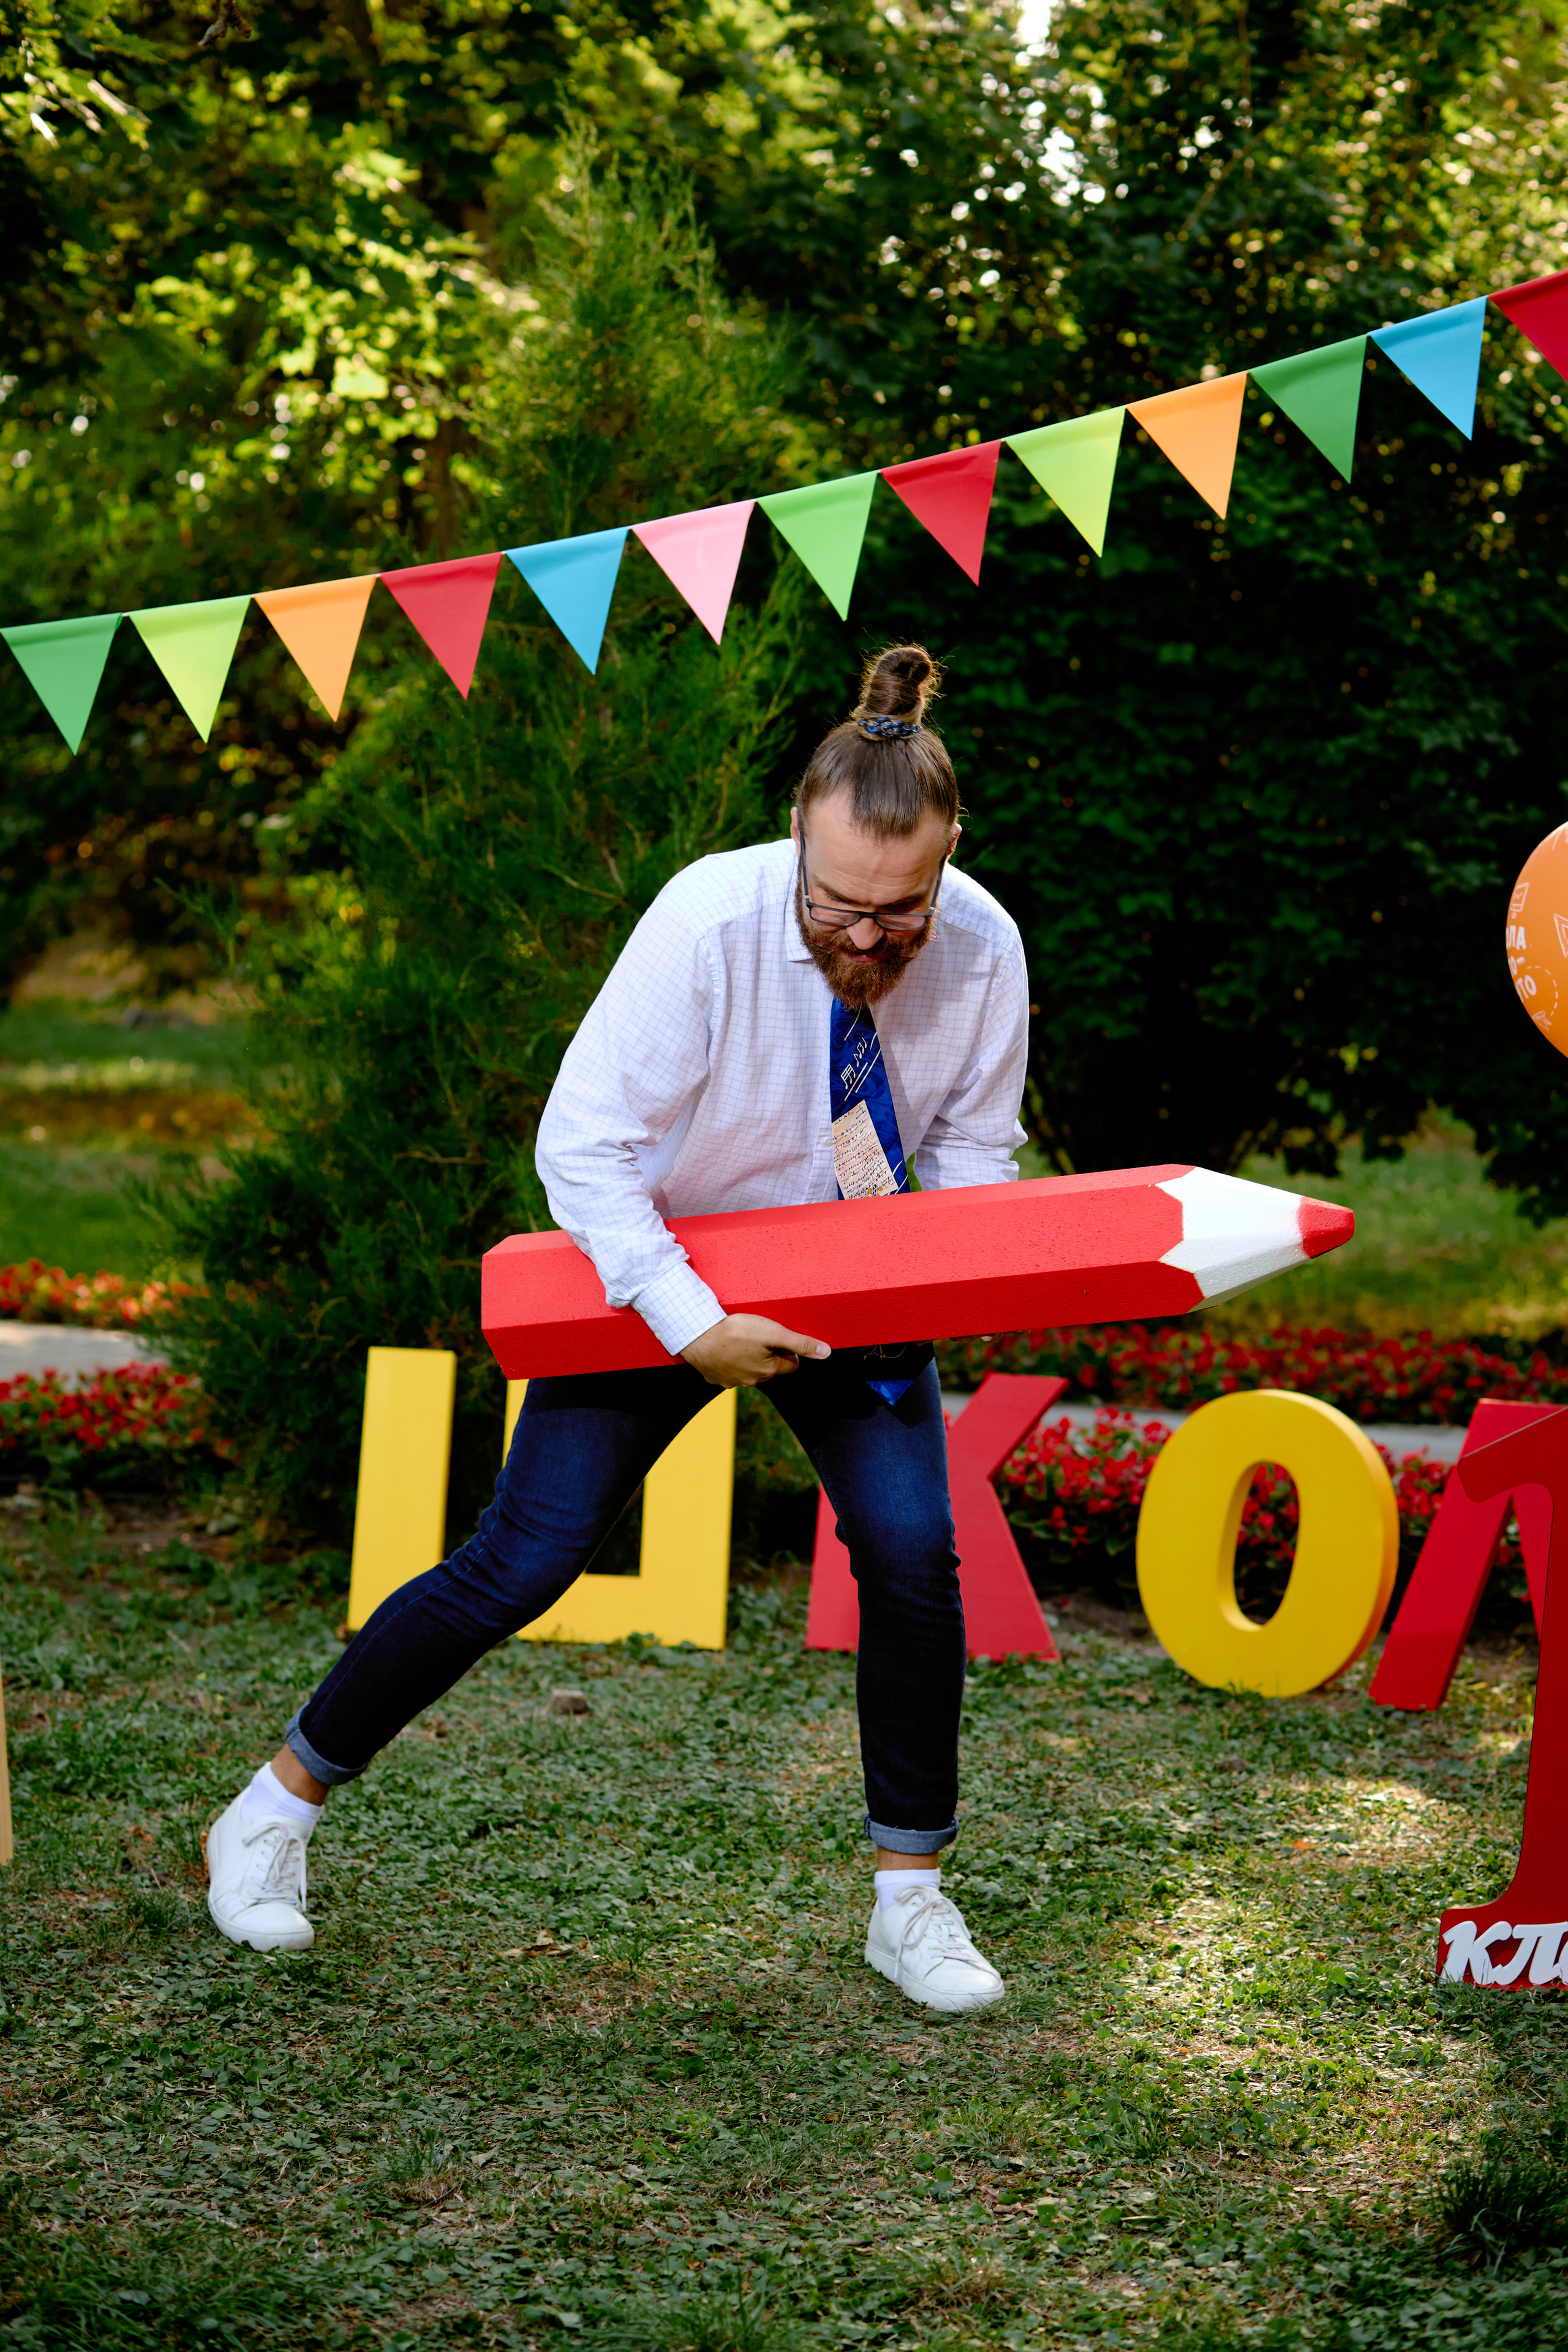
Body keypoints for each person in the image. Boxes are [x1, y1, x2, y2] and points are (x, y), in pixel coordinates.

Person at [205, 643, 1030, 2015]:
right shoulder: (706, 927)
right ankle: (271, 1812)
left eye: (904, 910)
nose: (870, 937)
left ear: (943, 865)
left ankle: (909, 1902)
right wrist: (692, 1321)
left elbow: (972, 1149)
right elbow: (582, 1150)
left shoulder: (985, 945)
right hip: (656, 1268)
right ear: (795, 848)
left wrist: (939, 1273)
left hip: (854, 1276)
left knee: (913, 1553)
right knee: (523, 1561)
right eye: (840, 905)